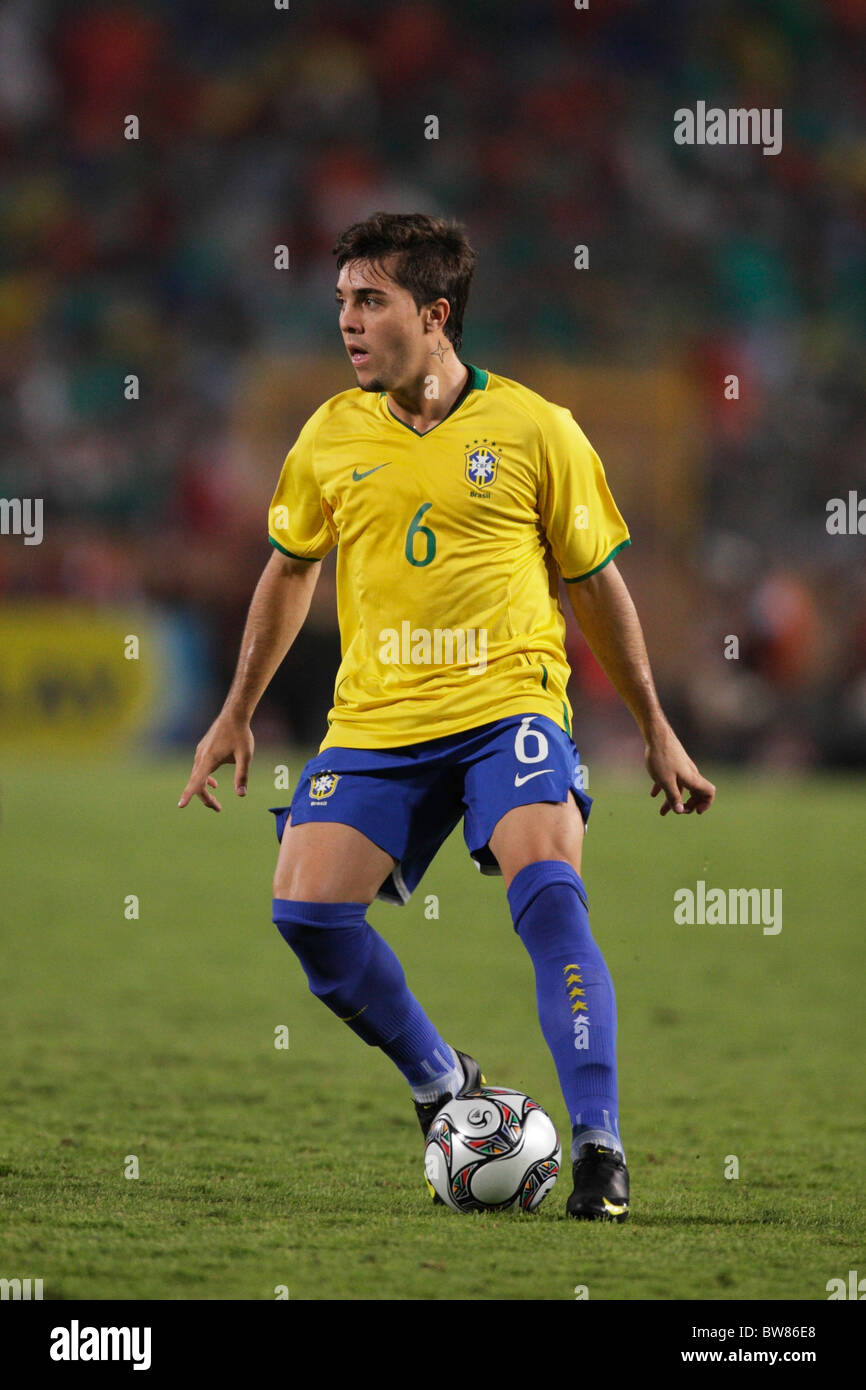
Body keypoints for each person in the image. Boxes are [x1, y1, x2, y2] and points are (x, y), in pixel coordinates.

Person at [179, 212, 715, 1221]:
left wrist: (653, 724)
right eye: (341, 299)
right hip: (377, 718)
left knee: (549, 894)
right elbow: (291, 568)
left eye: (368, 300)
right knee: (305, 915)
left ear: (434, 316)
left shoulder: (536, 430)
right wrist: (234, 712)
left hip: (504, 704)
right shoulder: (329, 434)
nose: (345, 319)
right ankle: (441, 1083)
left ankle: (598, 1146)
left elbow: (596, 585)